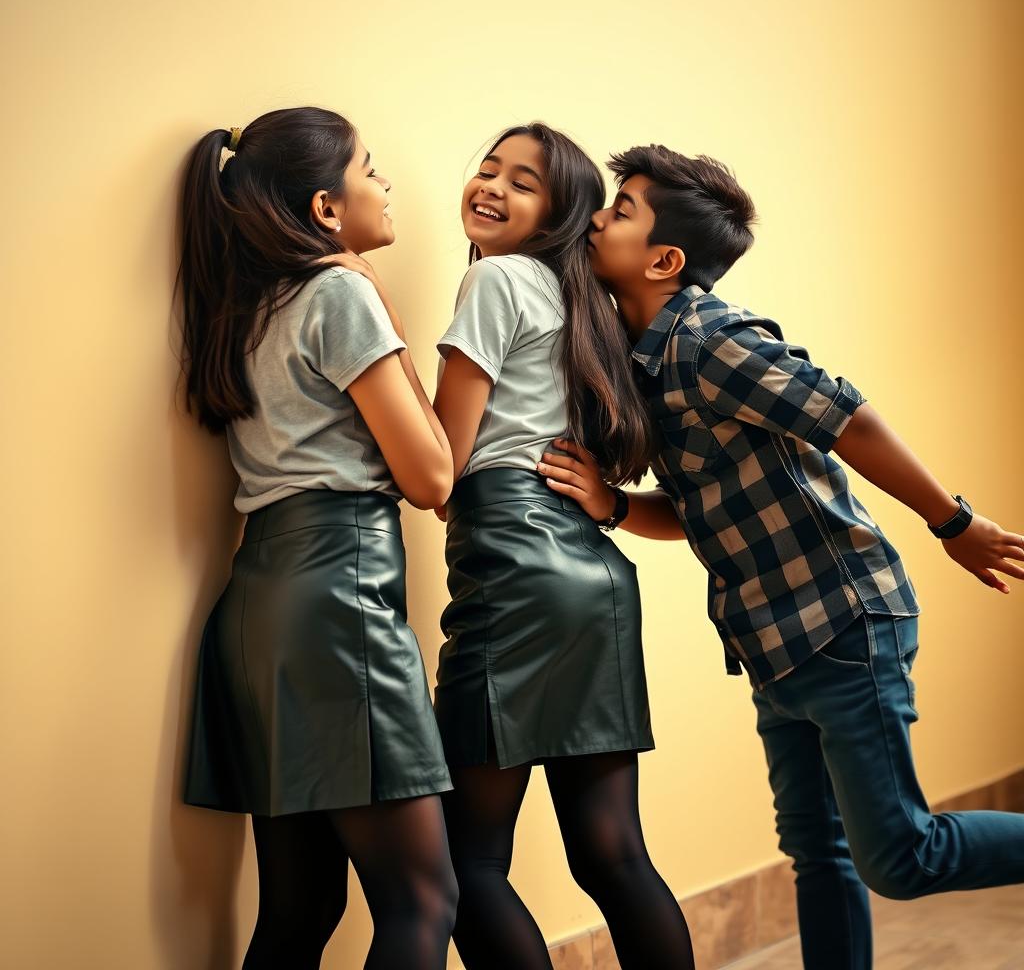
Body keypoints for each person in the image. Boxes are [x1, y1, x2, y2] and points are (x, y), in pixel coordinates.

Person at [540, 141, 1024, 969]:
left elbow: (851, 419)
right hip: (772, 643)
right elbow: (704, 512)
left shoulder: (711, 339)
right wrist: (616, 507)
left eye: (620, 211)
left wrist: (953, 523)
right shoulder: (646, 362)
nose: (596, 219)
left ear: (665, 259)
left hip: (841, 621)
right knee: (818, 850)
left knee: (902, 858)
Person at [178, 106, 457, 970]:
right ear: (327, 210)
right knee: (422, 900)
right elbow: (433, 478)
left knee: (299, 908)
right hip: (339, 596)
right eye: (370, 168)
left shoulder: (240, 309)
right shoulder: (337, 293)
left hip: (258, 605)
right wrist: (377, 301)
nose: (385, 183)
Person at [432, 123, 694, 970]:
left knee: (462, 863)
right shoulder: (574, 300)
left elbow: (443, 458)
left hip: (513, 565)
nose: (494, 187)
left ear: (561, 214)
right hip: (593, 575)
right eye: (488, 168)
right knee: (614, 857)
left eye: (524, 182)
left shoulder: (499, 280)